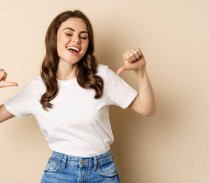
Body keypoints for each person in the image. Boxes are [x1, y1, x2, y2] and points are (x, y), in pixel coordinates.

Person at [0, 10, 155, 183]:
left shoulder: (101, 76)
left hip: (102, 172)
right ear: (54, 38)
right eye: (68, 33)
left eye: (83, 36)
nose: (76, 40)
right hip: (59, 172)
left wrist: (141, 71)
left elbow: (146, 109)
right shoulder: (37, 88)